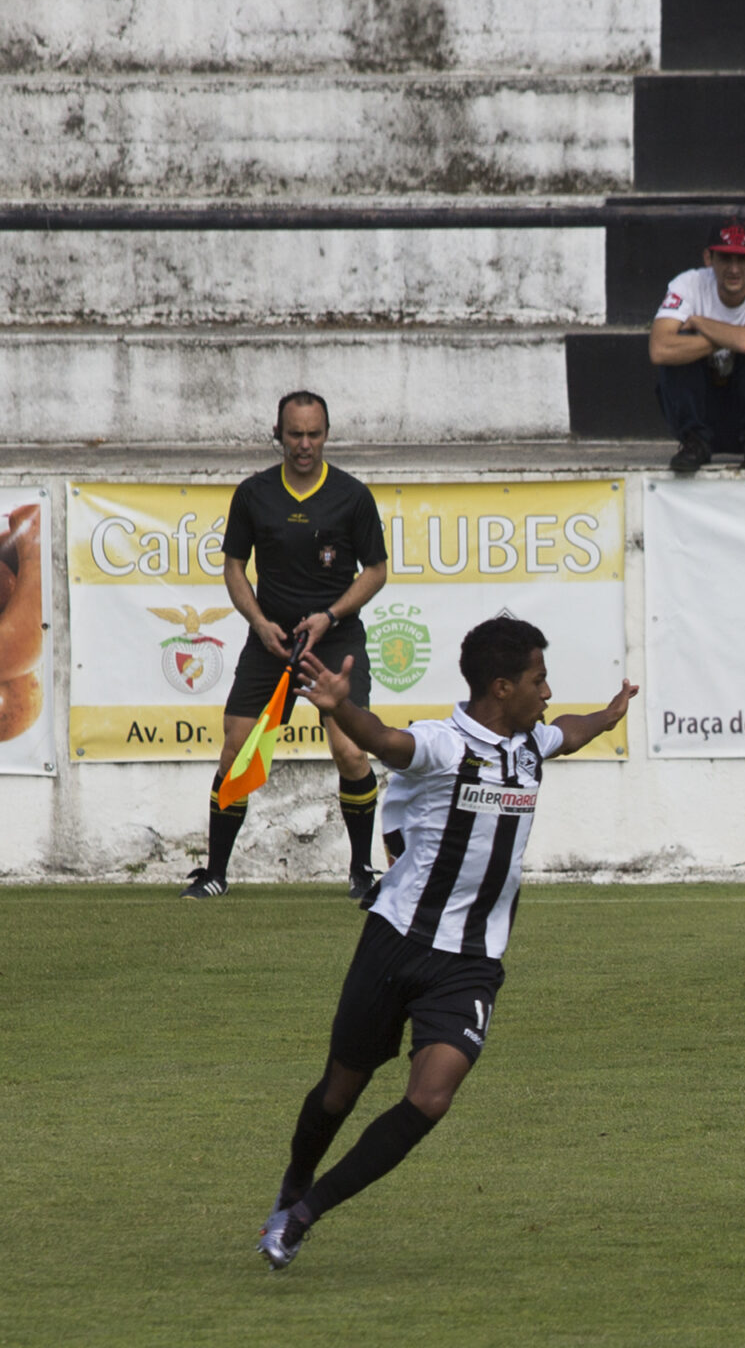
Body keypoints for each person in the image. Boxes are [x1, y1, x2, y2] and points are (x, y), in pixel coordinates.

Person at [256, 618, 638, 1270]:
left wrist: (610, 712)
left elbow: (570, 732)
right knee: (338, 1092)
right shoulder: (443, 744)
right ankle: (295, 1178)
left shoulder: (528, 745)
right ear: (502, 685)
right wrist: (340, 706)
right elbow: (383, 738)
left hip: (470, 960)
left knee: (431, 1096)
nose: (547, 691)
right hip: (396, 941)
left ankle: (305, 1211)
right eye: (538, 680)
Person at [183, 392, 389, 903]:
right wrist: (257, 622)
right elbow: (234, 568)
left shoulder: (352, 496)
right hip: (270, 639)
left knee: (349, 749)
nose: (304, 444)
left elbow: (377, 572)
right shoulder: (253, 494)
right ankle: (215, 873)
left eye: (313, 434)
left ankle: (362, 870)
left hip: (333, 638)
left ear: (326, 434)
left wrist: (331, 616)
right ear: (278, 434)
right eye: (294, 434)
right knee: (235, 747)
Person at [650, 222, 745, 476]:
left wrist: (698, 322)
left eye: (743, 258)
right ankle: (694, 441)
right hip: (702, 417)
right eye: (725, 258)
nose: (734, 268)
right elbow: (660, 349)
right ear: (709, 258)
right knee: (678, 350)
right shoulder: (687, 284)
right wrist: (733, 337)